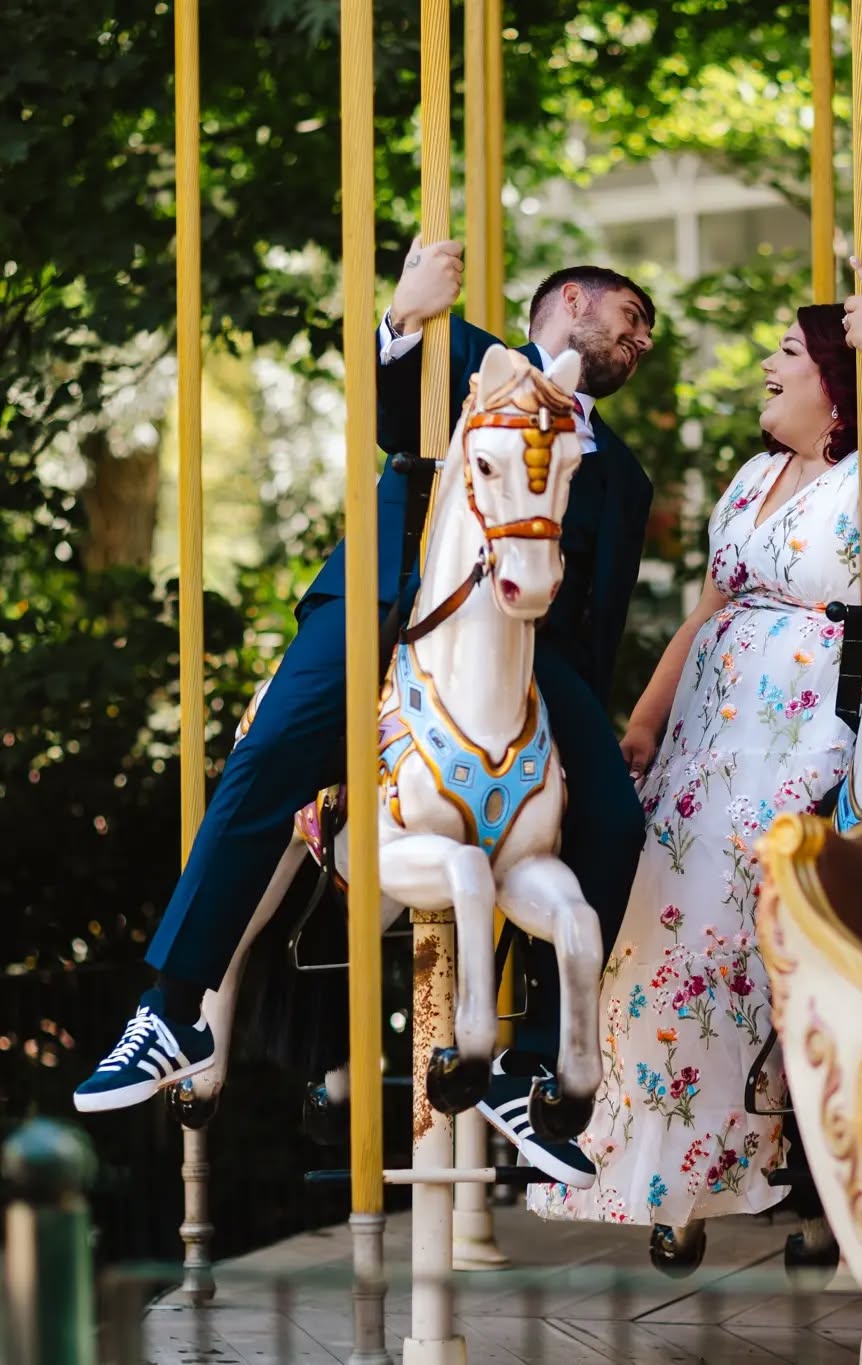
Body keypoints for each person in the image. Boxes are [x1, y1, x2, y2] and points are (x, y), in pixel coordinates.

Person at [74, 239, 656, 1188]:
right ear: (573, 302)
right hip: (387, 598)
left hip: (528, 648)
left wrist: (584, 715)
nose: (640, 342)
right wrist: (404, 315)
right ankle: (174, 1008)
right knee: (269, 756)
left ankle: (529, 1064)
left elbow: (601, 608)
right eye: (630, 318)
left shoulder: (620, 472)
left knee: (615, 821)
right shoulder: (469, 357)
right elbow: (391, 417)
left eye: (646, 336)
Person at [527, 257, 862, 1231]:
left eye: (787, 351)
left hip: (802, 732)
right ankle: (640, 1164)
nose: (766, 366)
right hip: (703, 740)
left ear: (835, 380)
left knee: (726, 933)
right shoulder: (751, 480)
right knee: (646, 935)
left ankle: (747, 1154)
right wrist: (645, 722)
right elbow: (707, 611)